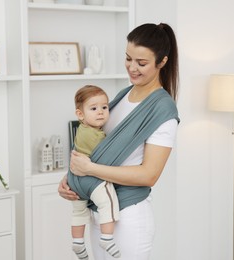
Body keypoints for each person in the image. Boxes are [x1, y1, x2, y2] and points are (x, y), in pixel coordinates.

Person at [59, 22, 180, 260]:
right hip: (100, 209)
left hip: (128, 215)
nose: (132, 68)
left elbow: (149, 175)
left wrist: (89, 169)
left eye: (141, 63)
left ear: (162, 62)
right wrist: (71, 178)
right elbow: (98, 147)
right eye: (128, 58)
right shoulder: (125, 94)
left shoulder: (163, 109)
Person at [69, 85, 121, 260]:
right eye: (94, 108)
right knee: (108, 203)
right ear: (80, 114)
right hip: (90, 180)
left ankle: (77, 242)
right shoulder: (98, 136)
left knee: (78, 213)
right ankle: (107, 238)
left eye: (104, 107)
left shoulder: (82, 130)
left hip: (74, 180)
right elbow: (105, 159)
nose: (101, 112)